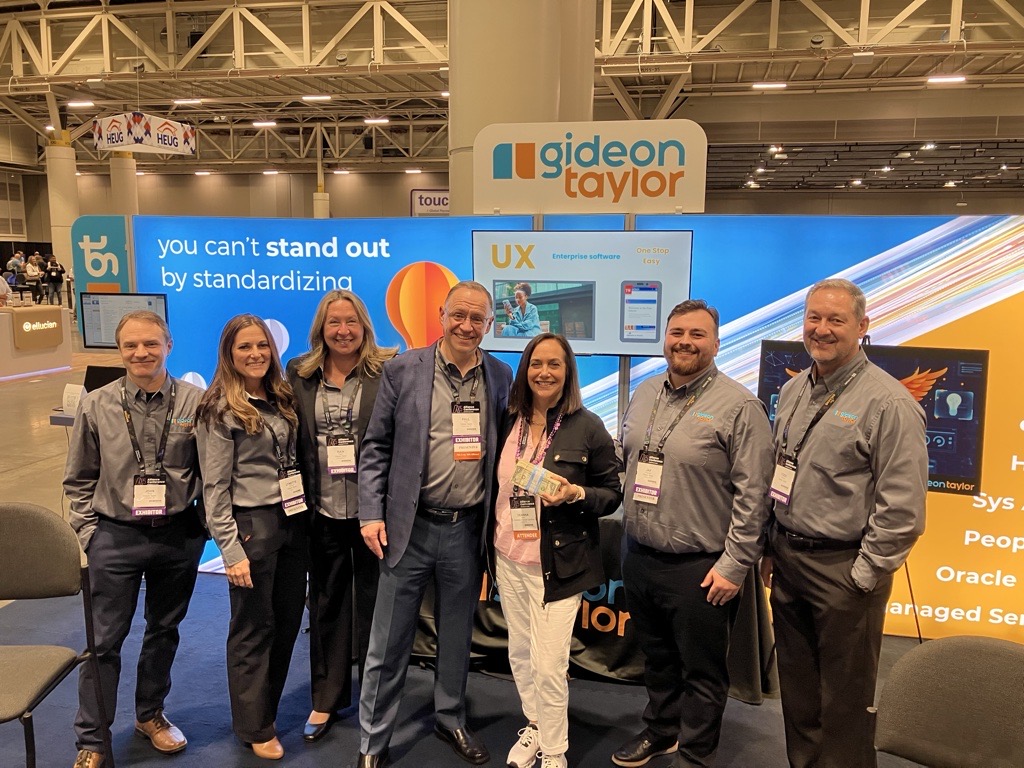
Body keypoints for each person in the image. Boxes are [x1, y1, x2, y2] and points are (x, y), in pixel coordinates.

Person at [761, 278, 927, 768]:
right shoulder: (794, 389)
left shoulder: (890, 403)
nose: (822, 329)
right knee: (799, 692)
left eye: (836, 319)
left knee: (845, 703)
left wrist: (864, 573)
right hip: (789, 560)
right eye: (814, 318)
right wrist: (770, 547)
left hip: (845, 569)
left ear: (862, 325)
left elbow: (902, 509)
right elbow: (781, 471)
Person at [356, 280, 513, 768]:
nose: (466, 325)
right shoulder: (403, 369)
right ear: (442, 314)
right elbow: (376, 446)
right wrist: (370, 512)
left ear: (490, 324)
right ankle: (372, 741)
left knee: (457, 635)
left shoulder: (501, 375)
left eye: (477, 318)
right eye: (458, 315)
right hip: (409, 528)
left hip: (466, 530)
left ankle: (450, 718)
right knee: (388, 641)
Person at [612, 300, 775, 768]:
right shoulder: (645, 392)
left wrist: (734, 565)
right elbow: (627, 459)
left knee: (702, 670)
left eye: (697, 334)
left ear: (716, 344)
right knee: (657, 657)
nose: (685, 342)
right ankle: (662, 731)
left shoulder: (740, 407)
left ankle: (697, 754)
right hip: (640, 553)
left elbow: (754, 495)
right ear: (665, 338)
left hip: (701, 566)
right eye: (677, 332)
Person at [64, 310, 206, 768]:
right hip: (114, 537)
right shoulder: (96, 404)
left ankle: (150, 715)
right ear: (120, 350)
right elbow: (78, 479)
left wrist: (201, 527)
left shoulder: (196, 403)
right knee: (104, 642)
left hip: (177, 538)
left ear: (168, 346)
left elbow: (213, 473)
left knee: (164, 630)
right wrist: (90, 535)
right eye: (131, 345)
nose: (141, 353)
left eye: (151, 344)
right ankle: (92, 738)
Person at [495, 333, 622, 768]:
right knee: (520, 654)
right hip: (507, 557)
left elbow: (611, 493)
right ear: (525, 369)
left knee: (549, 665)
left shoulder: (588, 426)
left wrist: (575, 494)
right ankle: (534, 725)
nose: (544, 372)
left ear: (568, 372)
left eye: (554, 364)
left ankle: (554, 750)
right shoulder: (507, 419)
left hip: (558, 564)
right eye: (536, 363)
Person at [286, 290, 397, 743]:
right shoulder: (299, 372)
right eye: (334, 322)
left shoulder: (388, 370)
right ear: (321, 328)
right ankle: (326, 699)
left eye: (351, 321)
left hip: (375, 512)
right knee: (326, 603)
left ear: (364, 326)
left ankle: (375, 698)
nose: (343, 331)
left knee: (376, 606)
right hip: (322, 508)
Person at [196, 314, 307, 761]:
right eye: (244, 346)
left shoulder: (280, 397)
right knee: (252, 629)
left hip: (291, 520)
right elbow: (214, 489)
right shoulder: (219, 408)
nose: (256, 353)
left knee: (286, 623)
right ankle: (254, 726)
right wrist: (230, 550)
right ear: (229, 353)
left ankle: (267, 712)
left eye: (262, 345)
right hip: (251, 527)